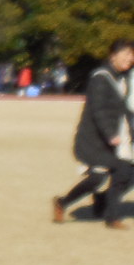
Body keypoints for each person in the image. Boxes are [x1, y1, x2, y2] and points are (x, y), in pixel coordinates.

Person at [51, 38, 134, 230]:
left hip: (114, 140)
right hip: (93, 141)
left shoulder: (123, 77)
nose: (130, 59)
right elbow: (98, 110)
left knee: (129, 172)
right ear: (113, 55)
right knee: (104, 176)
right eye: (127, 55)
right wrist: (110, 134)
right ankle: (66, 204)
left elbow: (124, 109)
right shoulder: (100, 77)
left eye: (132, 56)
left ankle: (104, 204)